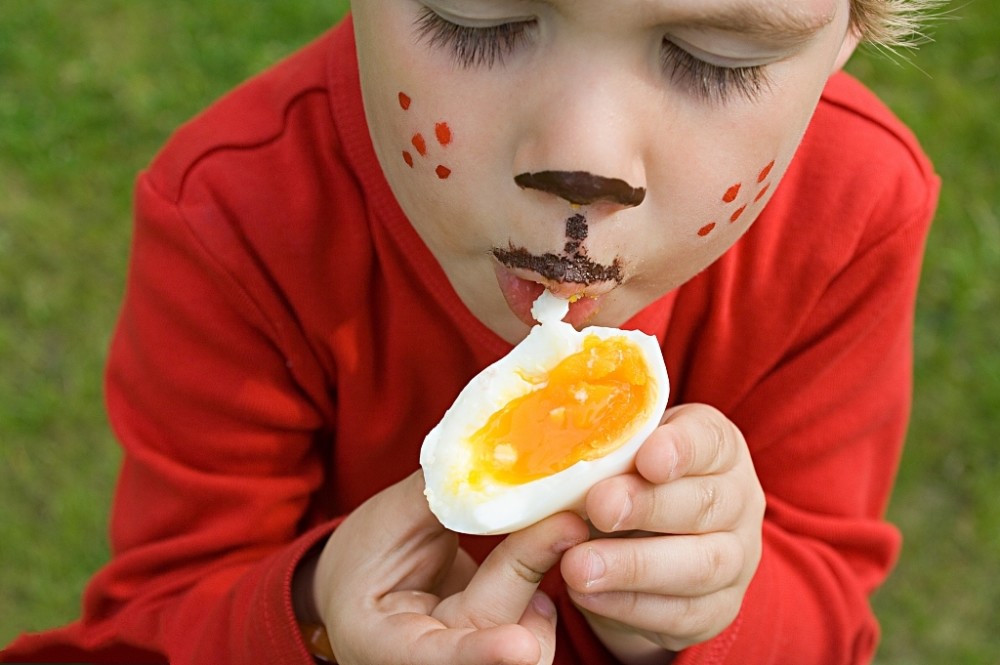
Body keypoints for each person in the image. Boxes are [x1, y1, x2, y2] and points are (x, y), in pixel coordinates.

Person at [2, 0, 941, 663]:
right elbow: (156, 619)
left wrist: (699, 616)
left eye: (716, 55)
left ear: (848, 34)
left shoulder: (852, 213)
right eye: (477, 19)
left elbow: (829, 612)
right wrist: (312, 612)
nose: (585, 160)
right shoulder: (239, 217)